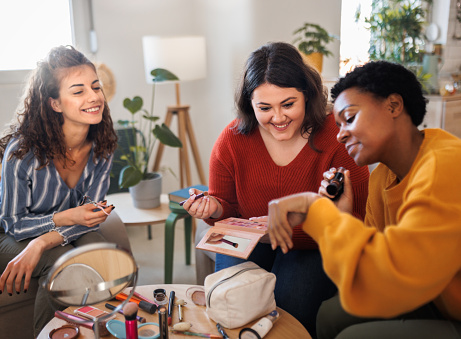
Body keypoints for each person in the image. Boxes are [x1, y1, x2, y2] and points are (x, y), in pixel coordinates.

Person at [182, 42, 370, 337]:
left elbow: (356, 218)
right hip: (250, 239)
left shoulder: (337, 138)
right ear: (249, 104)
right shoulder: (231, 140)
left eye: (288, 104)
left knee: (289, 309)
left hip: (313, 244)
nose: (278, 118)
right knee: (231, 299)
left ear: (306, 95)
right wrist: (214, 207)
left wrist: (284, 230)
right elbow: (226, 205)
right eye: (264, 108)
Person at [267, 61, 461, 339]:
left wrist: (316, 207)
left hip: (445, 305)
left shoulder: (444, 165)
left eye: (350, 117)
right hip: (429, 294)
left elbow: (390, 277)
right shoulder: (382, 177)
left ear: (394, 106)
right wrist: (342, 217)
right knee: (330, 313)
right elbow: (371, 268)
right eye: (338, 125)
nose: (340, 134)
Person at [0, 45, 131, 336]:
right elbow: (15, 223)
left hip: (50, 230)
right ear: (55, 103)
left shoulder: (103, 144)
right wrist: (66, 218)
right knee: (63, 264)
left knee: (108, 258)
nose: (94, 97)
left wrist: (41, 242)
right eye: (78, 91)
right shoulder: (23, 152)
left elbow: (89, 216)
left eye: (96, 87)